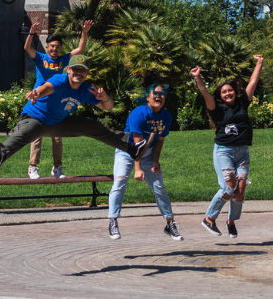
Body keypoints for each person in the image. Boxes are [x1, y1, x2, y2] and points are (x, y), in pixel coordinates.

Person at [0, 54, 148, 172]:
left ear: (87, 73)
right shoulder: (60, 80)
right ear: (68, 69)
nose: (78, 73)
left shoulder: (85, 90)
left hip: (58, 123)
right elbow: (47, 87)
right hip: (35, 118)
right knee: (23, 136)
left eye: (82, 71)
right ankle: (0, 156)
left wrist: (104, 97)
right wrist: (37, 93)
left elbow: (108, 107)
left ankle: (131, 148)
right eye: (75, 69)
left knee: (93, 126)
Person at [192, 55, 264, 239]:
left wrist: (259, 63)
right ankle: (209, 218)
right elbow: (205, 93)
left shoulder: (242, 103)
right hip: (224, 151)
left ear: (235, 91)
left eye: (230, 90)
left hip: (242, 152)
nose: (228, 93)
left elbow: (253, 82)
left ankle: (231, 222)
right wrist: (198, 78)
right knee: (228, 186)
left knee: (240, 190)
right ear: (220, 96)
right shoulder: (216, 108)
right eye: (224, 92)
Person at [107, 82, 181, 241]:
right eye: (155, 93)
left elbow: (159, 141)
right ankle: (113, 220)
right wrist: (138, 168)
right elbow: (137, 144)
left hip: (147, 154)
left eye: (162, 94)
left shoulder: (166, 117)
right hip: (127, 151)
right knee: (119, 182)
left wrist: (155, 161)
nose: (159, 96)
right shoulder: (138, 114)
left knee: (159, 187)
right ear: (148, 97)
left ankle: (170, 223)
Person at [22, 20, 93, 179]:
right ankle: (33, 167)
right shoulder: (40, 58)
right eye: (52, 46)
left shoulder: (63, 60)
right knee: (36, 135)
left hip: (57, 101)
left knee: (57, 137)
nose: (54, 49)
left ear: (61, 48)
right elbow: (27, 48)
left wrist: (84, 31)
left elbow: (80, 49)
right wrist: (32, 33)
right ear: (47, 47)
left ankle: (57, 168)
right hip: (40, 100)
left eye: (57, 46)